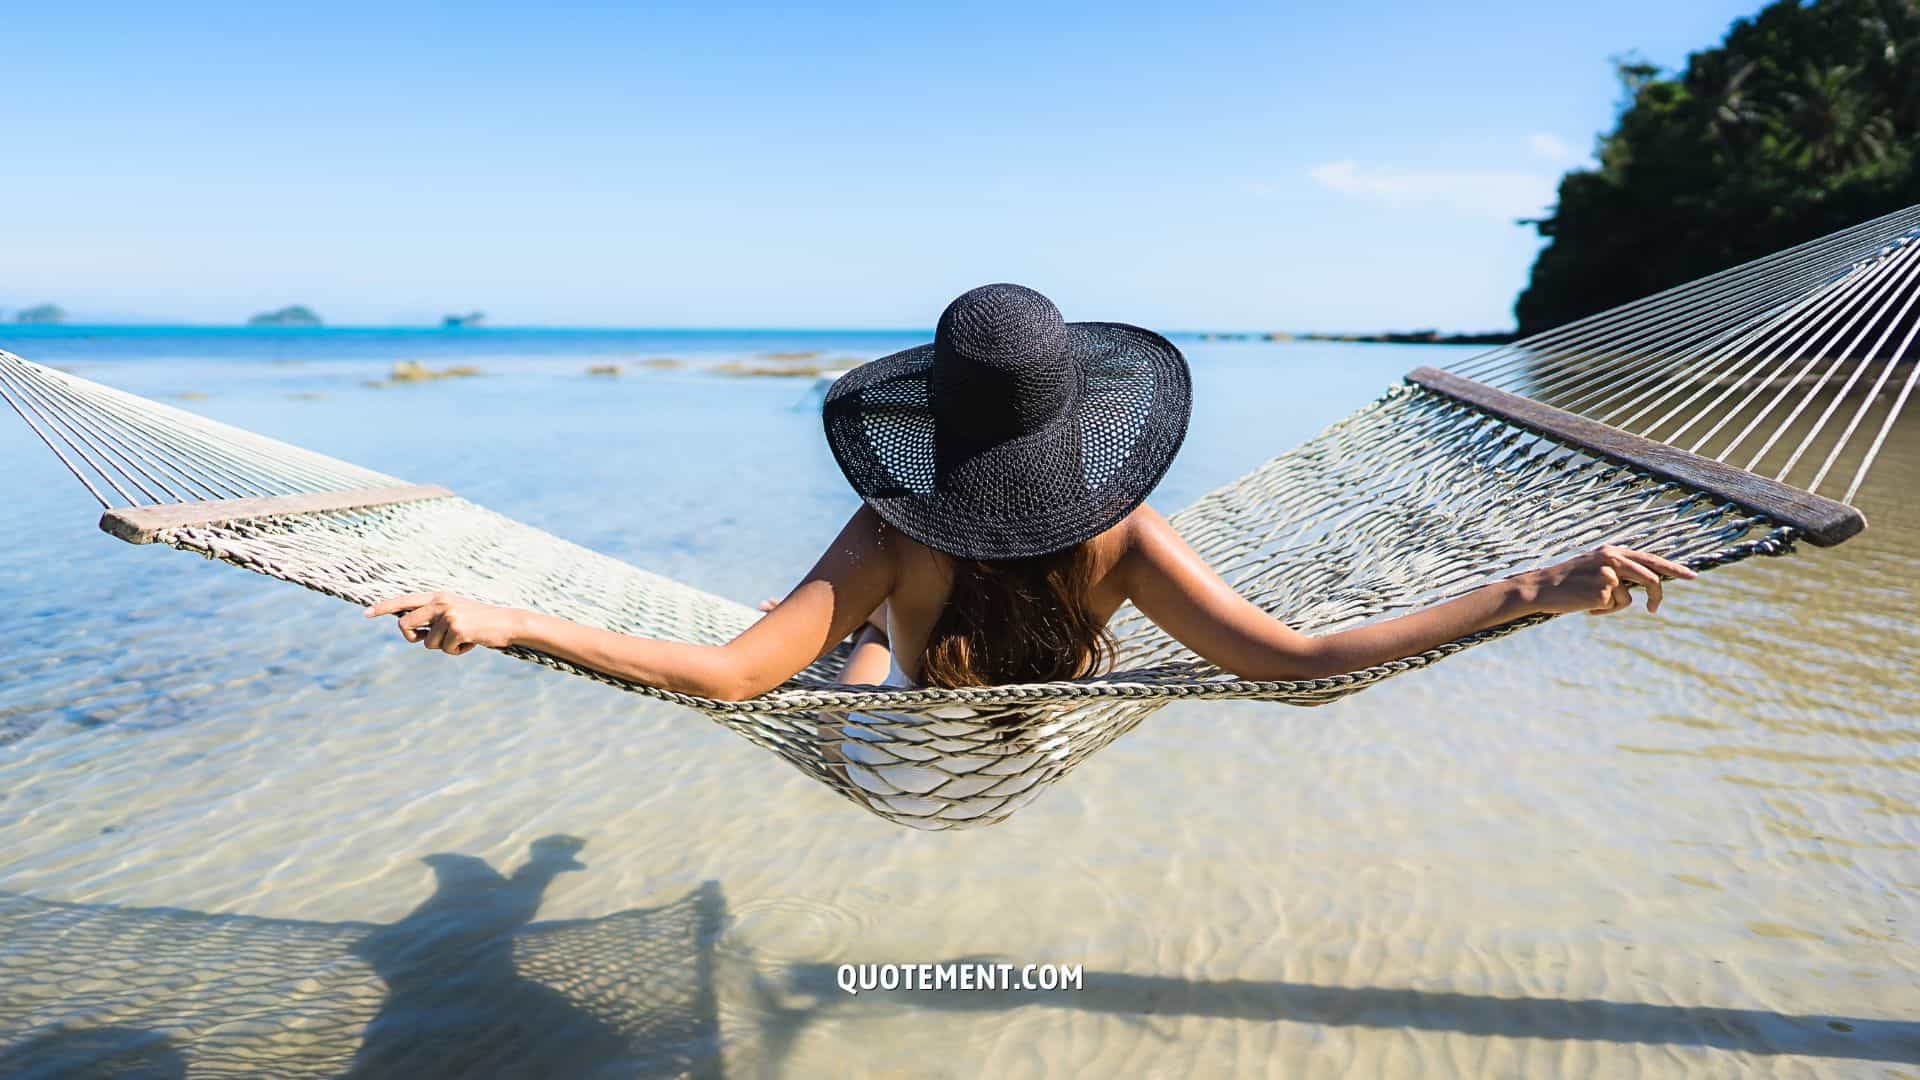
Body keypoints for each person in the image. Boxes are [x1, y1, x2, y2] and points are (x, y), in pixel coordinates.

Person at [366, 284, 1693, 702]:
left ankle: (874, 670)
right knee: (880, 670)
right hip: (1039, 689)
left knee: (861, 672)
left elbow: (726, 674)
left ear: (930, 420)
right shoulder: (1120, 538)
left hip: (916, 657)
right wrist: (1537, 587)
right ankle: (877, 671)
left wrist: (509, 617)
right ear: (1078, 414)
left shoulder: (890, 534)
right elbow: (1297, 661)